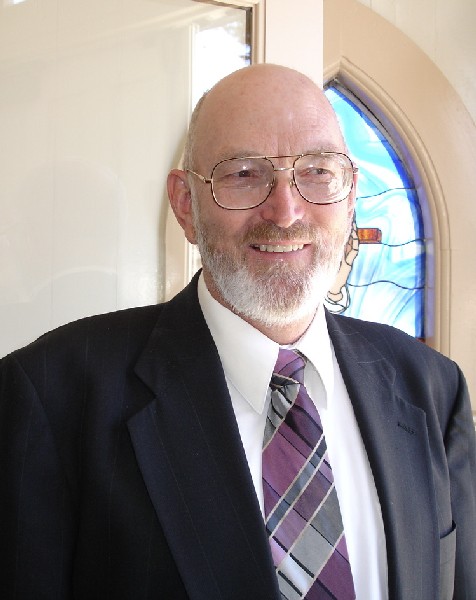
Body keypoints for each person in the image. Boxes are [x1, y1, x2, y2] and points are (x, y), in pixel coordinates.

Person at [0, 64, 475, 600]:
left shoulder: (431, 389)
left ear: (349, 196)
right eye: (244, 174)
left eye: (318, 170)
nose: (286, 211)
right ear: (186, 204)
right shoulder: (51, 396)